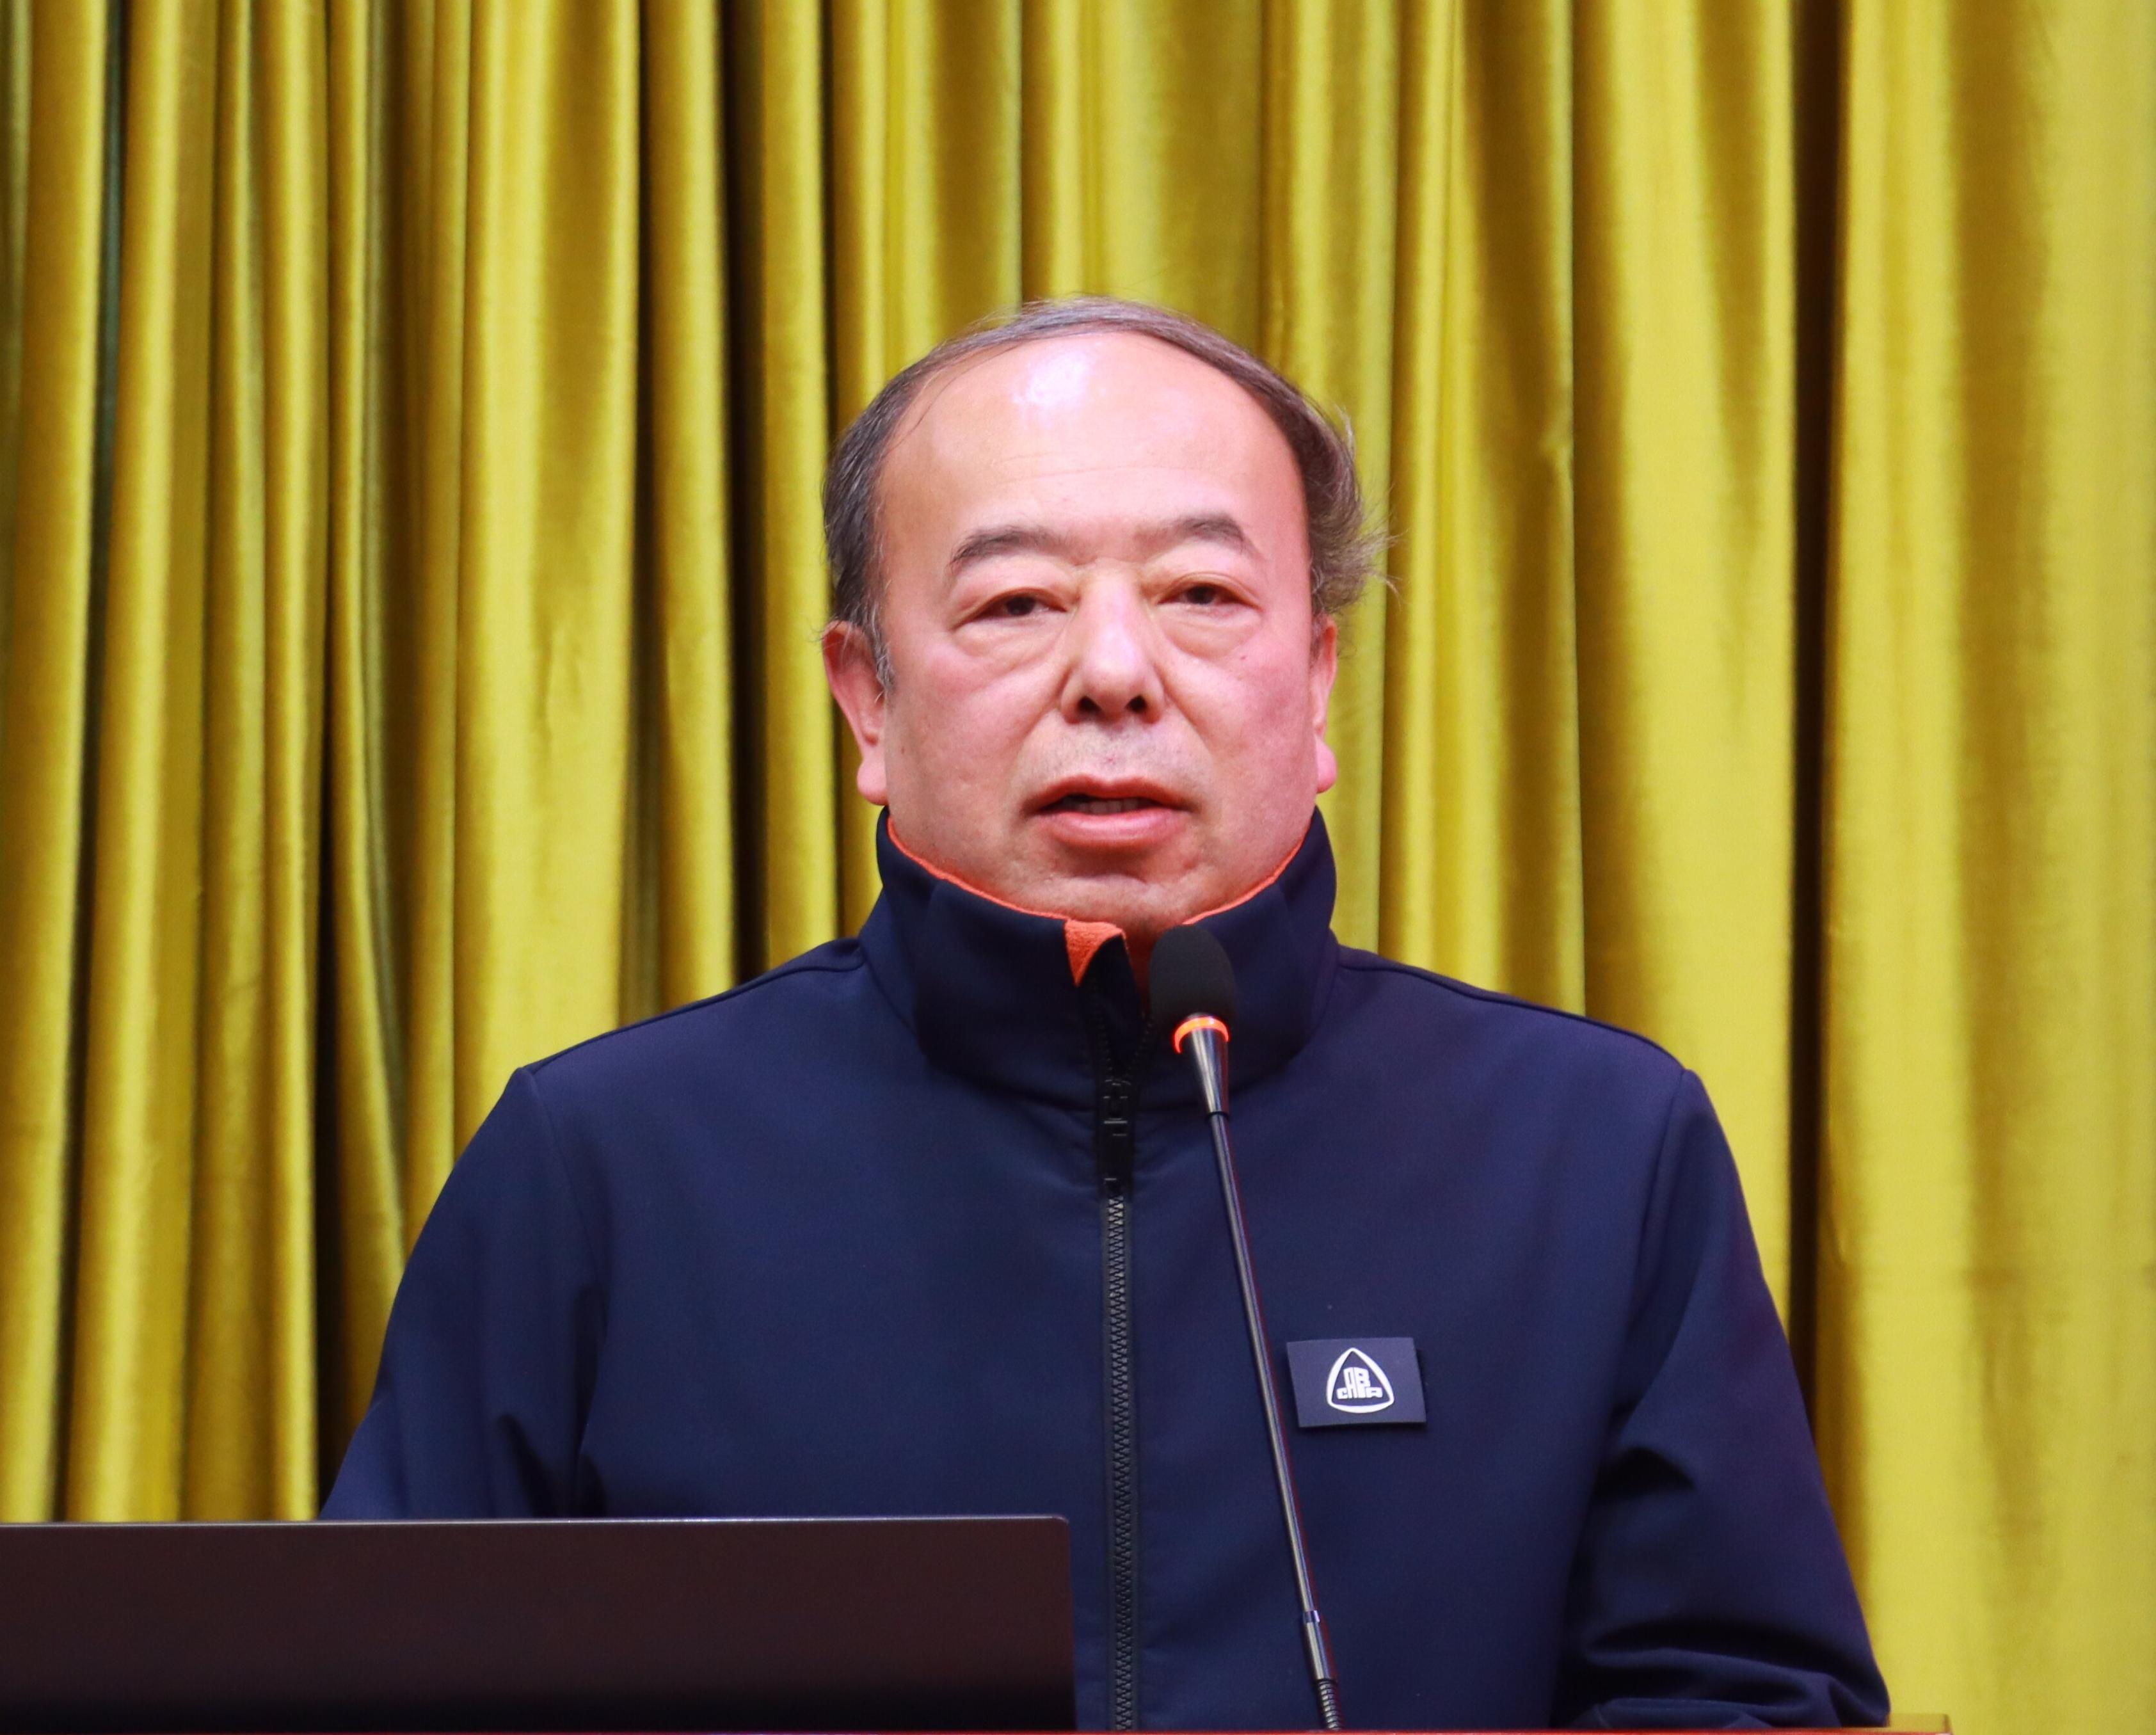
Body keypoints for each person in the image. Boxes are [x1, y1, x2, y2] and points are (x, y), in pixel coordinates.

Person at [324, 297, 1889, 1732]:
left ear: (1317, 682)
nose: (1115, 673)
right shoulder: (600, 1167)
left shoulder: (1594, 1152)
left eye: (1201, 594)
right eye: (1016, 603)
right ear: (867, 701)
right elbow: (383, 1700)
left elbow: (1739, 1700)